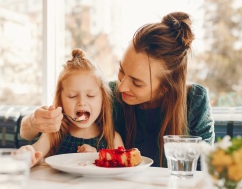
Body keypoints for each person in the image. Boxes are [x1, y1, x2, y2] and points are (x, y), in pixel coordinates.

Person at [20, 11, 215, 168]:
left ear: (165, 88)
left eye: (137, 82)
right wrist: (34, 121)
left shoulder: (195, 101)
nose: (121, 87)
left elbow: (205, 170)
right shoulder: (109, 94)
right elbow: (32, 134)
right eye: (121, 71)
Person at [18, 48, 124, 167]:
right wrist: (27, 153)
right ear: (61, 100)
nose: (82, 102)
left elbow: (121, 169)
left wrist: (97, 158)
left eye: (91, 95)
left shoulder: (112, 138)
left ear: (103, 99)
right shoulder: (54, 134)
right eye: (72, 96)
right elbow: (35, 154)